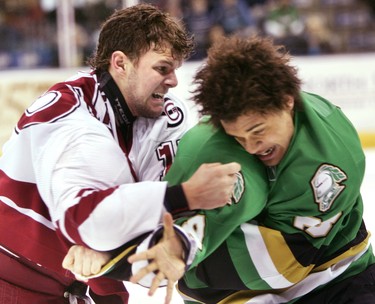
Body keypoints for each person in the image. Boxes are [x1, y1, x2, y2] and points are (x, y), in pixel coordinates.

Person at [67, 35, 375, 303]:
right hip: (237, 296)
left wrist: (123, 258)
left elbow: (280, 260)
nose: (252, 146)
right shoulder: (211, 148)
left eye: (258, 130)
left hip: (340, 274)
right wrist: (118, 250)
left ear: (287, 101)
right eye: (238, 136)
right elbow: (193, 218)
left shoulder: (333, 149)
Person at [0, 4, 241, 304]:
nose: (173, 81)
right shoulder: (69, 117)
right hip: (12, 279)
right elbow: (87, 222)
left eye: (175, 69)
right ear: (120, 63)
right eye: (162, 68)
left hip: (72, 283)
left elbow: (155, 216)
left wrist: (148, 246)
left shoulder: (166, 114)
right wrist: (186, 195)